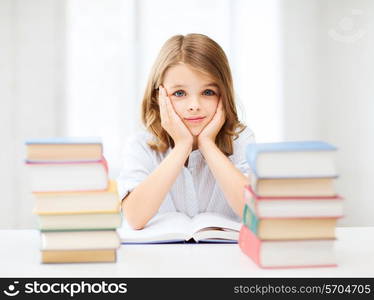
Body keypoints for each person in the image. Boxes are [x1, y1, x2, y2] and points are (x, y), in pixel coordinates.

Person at [117, 33, 255, 230]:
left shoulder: (241, 140)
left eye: (208, 92)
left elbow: (252, 211)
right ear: (159, 97)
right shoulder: (141, 145)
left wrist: (207, 144)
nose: (194, 106)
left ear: (223, 95)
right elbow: (134, 217)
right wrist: (182, 145)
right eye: (179, 93)